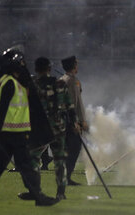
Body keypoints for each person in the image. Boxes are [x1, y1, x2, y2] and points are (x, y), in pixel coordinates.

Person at [0, 50, 59, 207]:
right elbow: (2, 109)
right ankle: (38, 197)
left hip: (11, 133)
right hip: (12, 133)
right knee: (26, 166)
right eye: (21, 63)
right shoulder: (10, 83)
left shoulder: (11, 81)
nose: (23, 66)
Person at [17, 57, 77, 200]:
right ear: (49, 68)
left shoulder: (34, 85)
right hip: (58, 128)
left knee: (33, 158)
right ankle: (61, 192)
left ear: (37, 69)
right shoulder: (60, 84)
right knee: (59, 160)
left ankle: (34, 190)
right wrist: (74, 123)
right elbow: (70, 106)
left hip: (41, 128)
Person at [59, 56, 88, 186]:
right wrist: (78, 121)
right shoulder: (70, 82)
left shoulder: (68, 80)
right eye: (76, 64)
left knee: (70, 149)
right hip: (70, 121)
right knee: (74, 148)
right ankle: (65, 177)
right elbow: (72, 104)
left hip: (68, 120)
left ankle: (65, 176)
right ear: (73, 65)